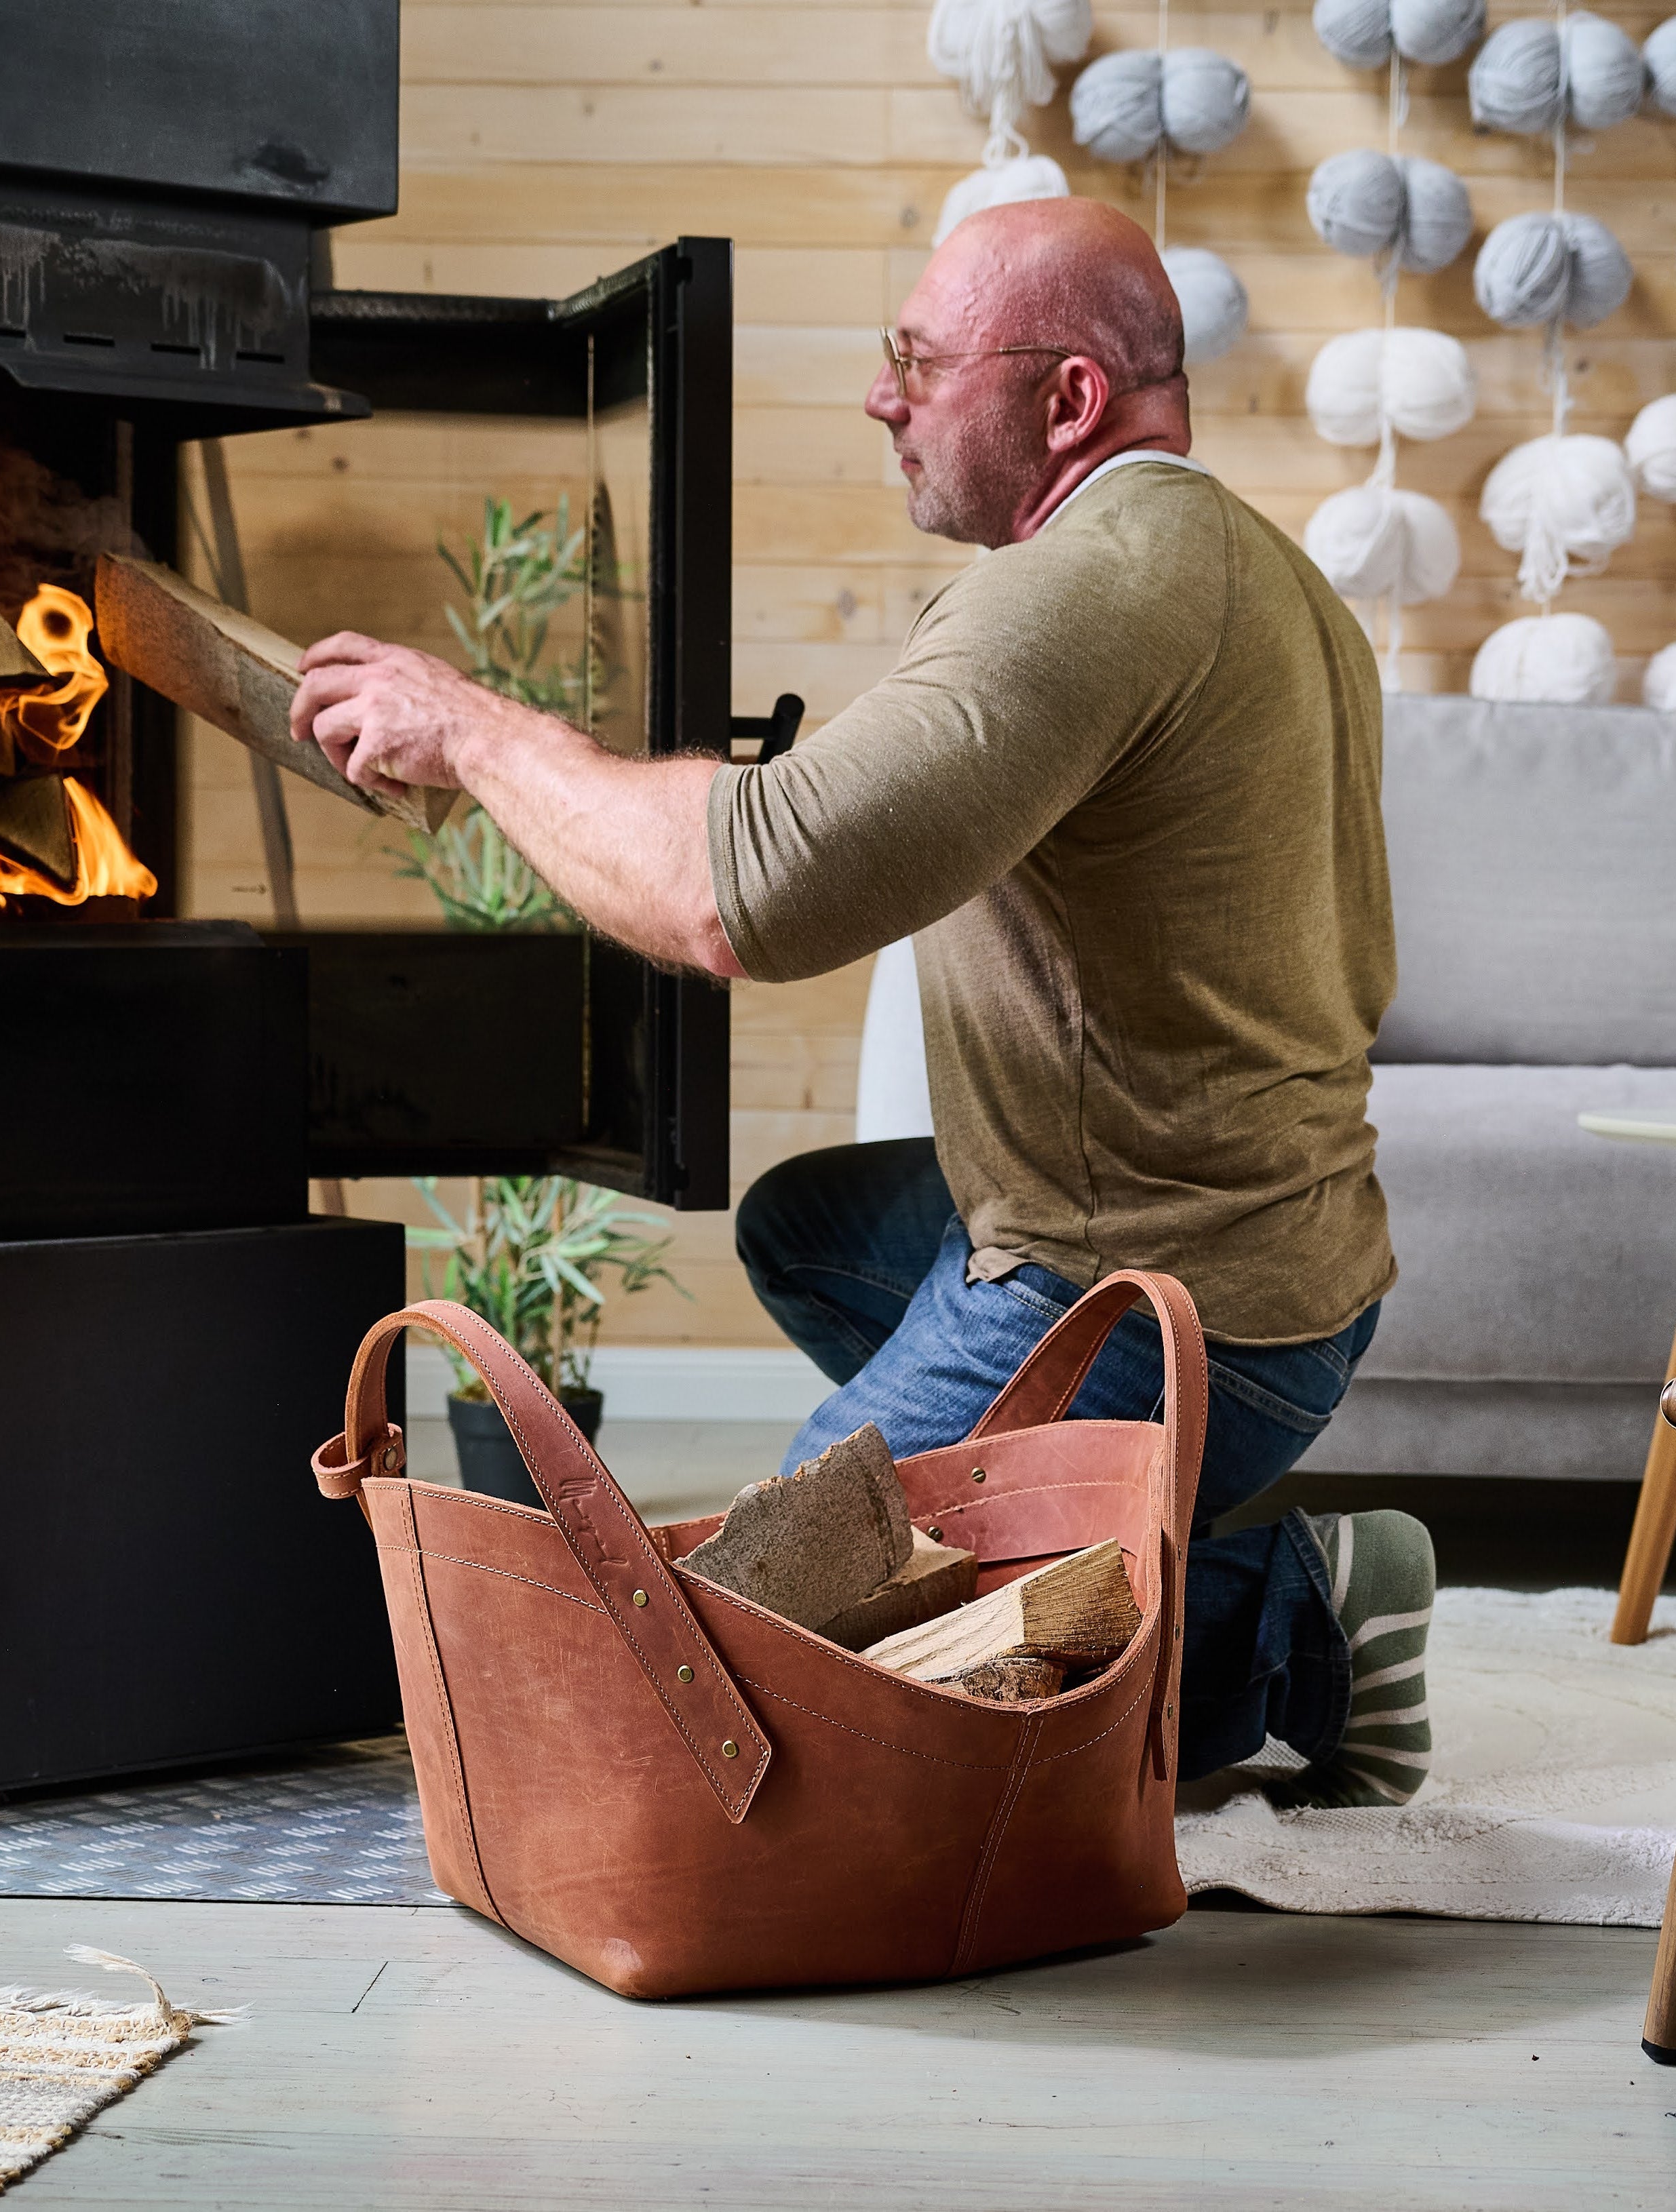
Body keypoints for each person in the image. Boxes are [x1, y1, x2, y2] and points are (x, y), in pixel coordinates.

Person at [288, 197, 1432, 1808]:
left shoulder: (1083, 589)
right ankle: (1039, 1505)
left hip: (1175, 1304)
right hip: (1293, 1251)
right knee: (809, 1228)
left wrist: (472, 730)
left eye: (915, 361)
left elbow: (731, 896)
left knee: (716, 1677)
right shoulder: (1253, 563)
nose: (883, 399)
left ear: (1067, 401)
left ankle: (1291, 1611)